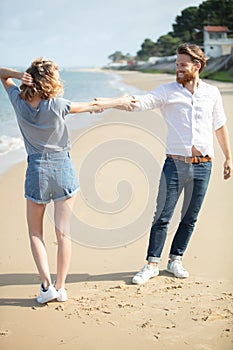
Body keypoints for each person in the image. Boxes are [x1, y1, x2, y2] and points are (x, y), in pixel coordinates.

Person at [95, 43, 232, 284]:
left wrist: (228, 158)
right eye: (176, 64)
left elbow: (219, 125)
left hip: (204, 165)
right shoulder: (167, 91)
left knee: (190, 217)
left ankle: (175, 259)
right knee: (163, 216)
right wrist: (109, 102)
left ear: (197, 66)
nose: (177, 68)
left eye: (182, 65)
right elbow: (138, 103)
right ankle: (152, 264)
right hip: (175, 165)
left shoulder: (211, 93)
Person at [0, 58, 135, 303]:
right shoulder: (57, 105)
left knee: (35, 233)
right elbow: (93, 105)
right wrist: (120, 101)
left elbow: (1, 74)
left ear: (31, 78)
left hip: (36, 170)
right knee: (63, 234)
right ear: (51, 80)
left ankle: (45, 287)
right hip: (63, 168)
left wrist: (19, 75)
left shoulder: (18, 102)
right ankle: (61, 288)